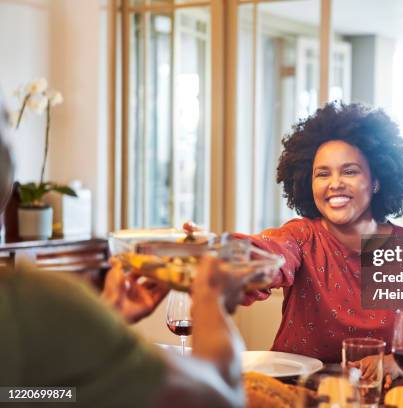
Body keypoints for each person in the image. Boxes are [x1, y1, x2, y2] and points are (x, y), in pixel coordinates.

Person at [0, 101, 244, 407]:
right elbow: (220, 398)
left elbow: (35, 396)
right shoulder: (27, 300)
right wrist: (210, 300)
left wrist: (104, 320)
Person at [236, 102, 403, 381]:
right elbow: (267, 254)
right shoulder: (301, 236)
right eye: (323, 174)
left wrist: (396, 363)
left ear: (376, 180)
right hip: (299, 395)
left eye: (349, 171)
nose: (335, 183)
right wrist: (224, 253)